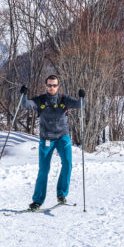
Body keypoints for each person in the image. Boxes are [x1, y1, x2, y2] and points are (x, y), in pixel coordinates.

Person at [20, 75, 84, 210]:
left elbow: (80, 105)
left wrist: (82, 97)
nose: (52, 88)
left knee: (67, 164)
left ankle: (61, 194)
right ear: (46, 86)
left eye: (54, 85)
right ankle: (37, 201)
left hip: (62, 137)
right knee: (44, 170)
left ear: (58, 86)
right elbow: (25, 105)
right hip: (46, 139)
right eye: (49, 85)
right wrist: (23, 95)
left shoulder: (64, 99)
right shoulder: (40, 100)